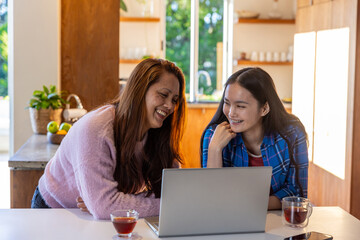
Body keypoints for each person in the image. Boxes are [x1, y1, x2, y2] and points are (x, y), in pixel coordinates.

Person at [31, 58, 187, 219]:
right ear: (140, 90)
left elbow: (173, 191)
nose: (170, 106)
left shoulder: (158, 135)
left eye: (174, 100)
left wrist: (111, 202)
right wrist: (106, 204)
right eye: (163, 95)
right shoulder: (96, 128)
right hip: (55, 210)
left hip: (96, 217)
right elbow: (105, 207)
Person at [200, 67, 308, 210]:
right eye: (227, 103)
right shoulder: (214, 135)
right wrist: (214, 150)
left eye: (240, 106)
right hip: (229, 222)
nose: (231, 113)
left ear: (264, 109)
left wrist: (250, 205)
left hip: (277, 221)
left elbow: (297, 193)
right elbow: (211, 201)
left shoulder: (292, 134)